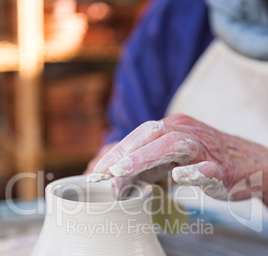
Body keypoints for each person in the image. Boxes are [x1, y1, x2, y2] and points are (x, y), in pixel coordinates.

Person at [85, 0, 268, 207]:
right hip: (186, 224)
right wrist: (118, 163)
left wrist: (261, 168)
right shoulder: (178, 13)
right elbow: (129, 129)